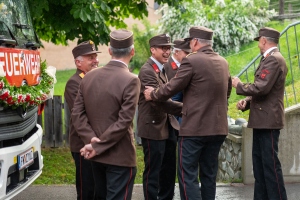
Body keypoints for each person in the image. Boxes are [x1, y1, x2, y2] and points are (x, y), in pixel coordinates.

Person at [144, 26, 232, 200]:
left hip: (194, 130)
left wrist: (153, 94)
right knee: (209, 175)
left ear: (196, 42)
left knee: (188, 175)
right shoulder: (223, 62)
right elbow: (227, 91)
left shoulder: (192, 61)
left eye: (191, 41)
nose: (190, 45)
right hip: (218, 128)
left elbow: (173, 86)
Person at [72, 29, 140, 200]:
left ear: (109, 51)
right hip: (120, 156)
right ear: (132, 51)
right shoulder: (131, 80)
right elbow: (124, 122)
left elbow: (77, 115)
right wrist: (97, 145)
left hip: (96, 157)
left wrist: (91, 141)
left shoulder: (88, 77)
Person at [232, 27, 287, 200]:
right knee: (260, 166)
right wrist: (247, 102)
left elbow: (261, 87)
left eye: (259, 41)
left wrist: (239, 85)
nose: (258, 44)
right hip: (264, 119)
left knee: (269, 166)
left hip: (268, 121)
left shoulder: (273, 60)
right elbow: (264, 89)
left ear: (263, 40)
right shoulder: (271, 59)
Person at [138, 33, 183, 200]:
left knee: (168, 170)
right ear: (153, 50)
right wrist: (187, 109)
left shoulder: (161, 69)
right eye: (163, 48)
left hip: (167, 126)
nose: (167, 52)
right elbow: (159, 102)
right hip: (153, 128)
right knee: (153, 171)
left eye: (169, 48)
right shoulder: (147, 71)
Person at [64, 40, 100, 200]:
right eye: (90, 58)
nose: (96, 60)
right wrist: (92, 141)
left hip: (97, 142)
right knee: (86, 189)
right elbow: (82, 116)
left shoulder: (96, 78)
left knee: (98, 187)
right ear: (78, 62)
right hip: (83, 144)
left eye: (95, 57)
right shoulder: (74, 83)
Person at [164, 39, 191, 125]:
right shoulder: (165, 66)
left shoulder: (189, 65)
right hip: (170, 111)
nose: (189, 55)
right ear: (176, 52)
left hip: (185, 111)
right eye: (186, 53)